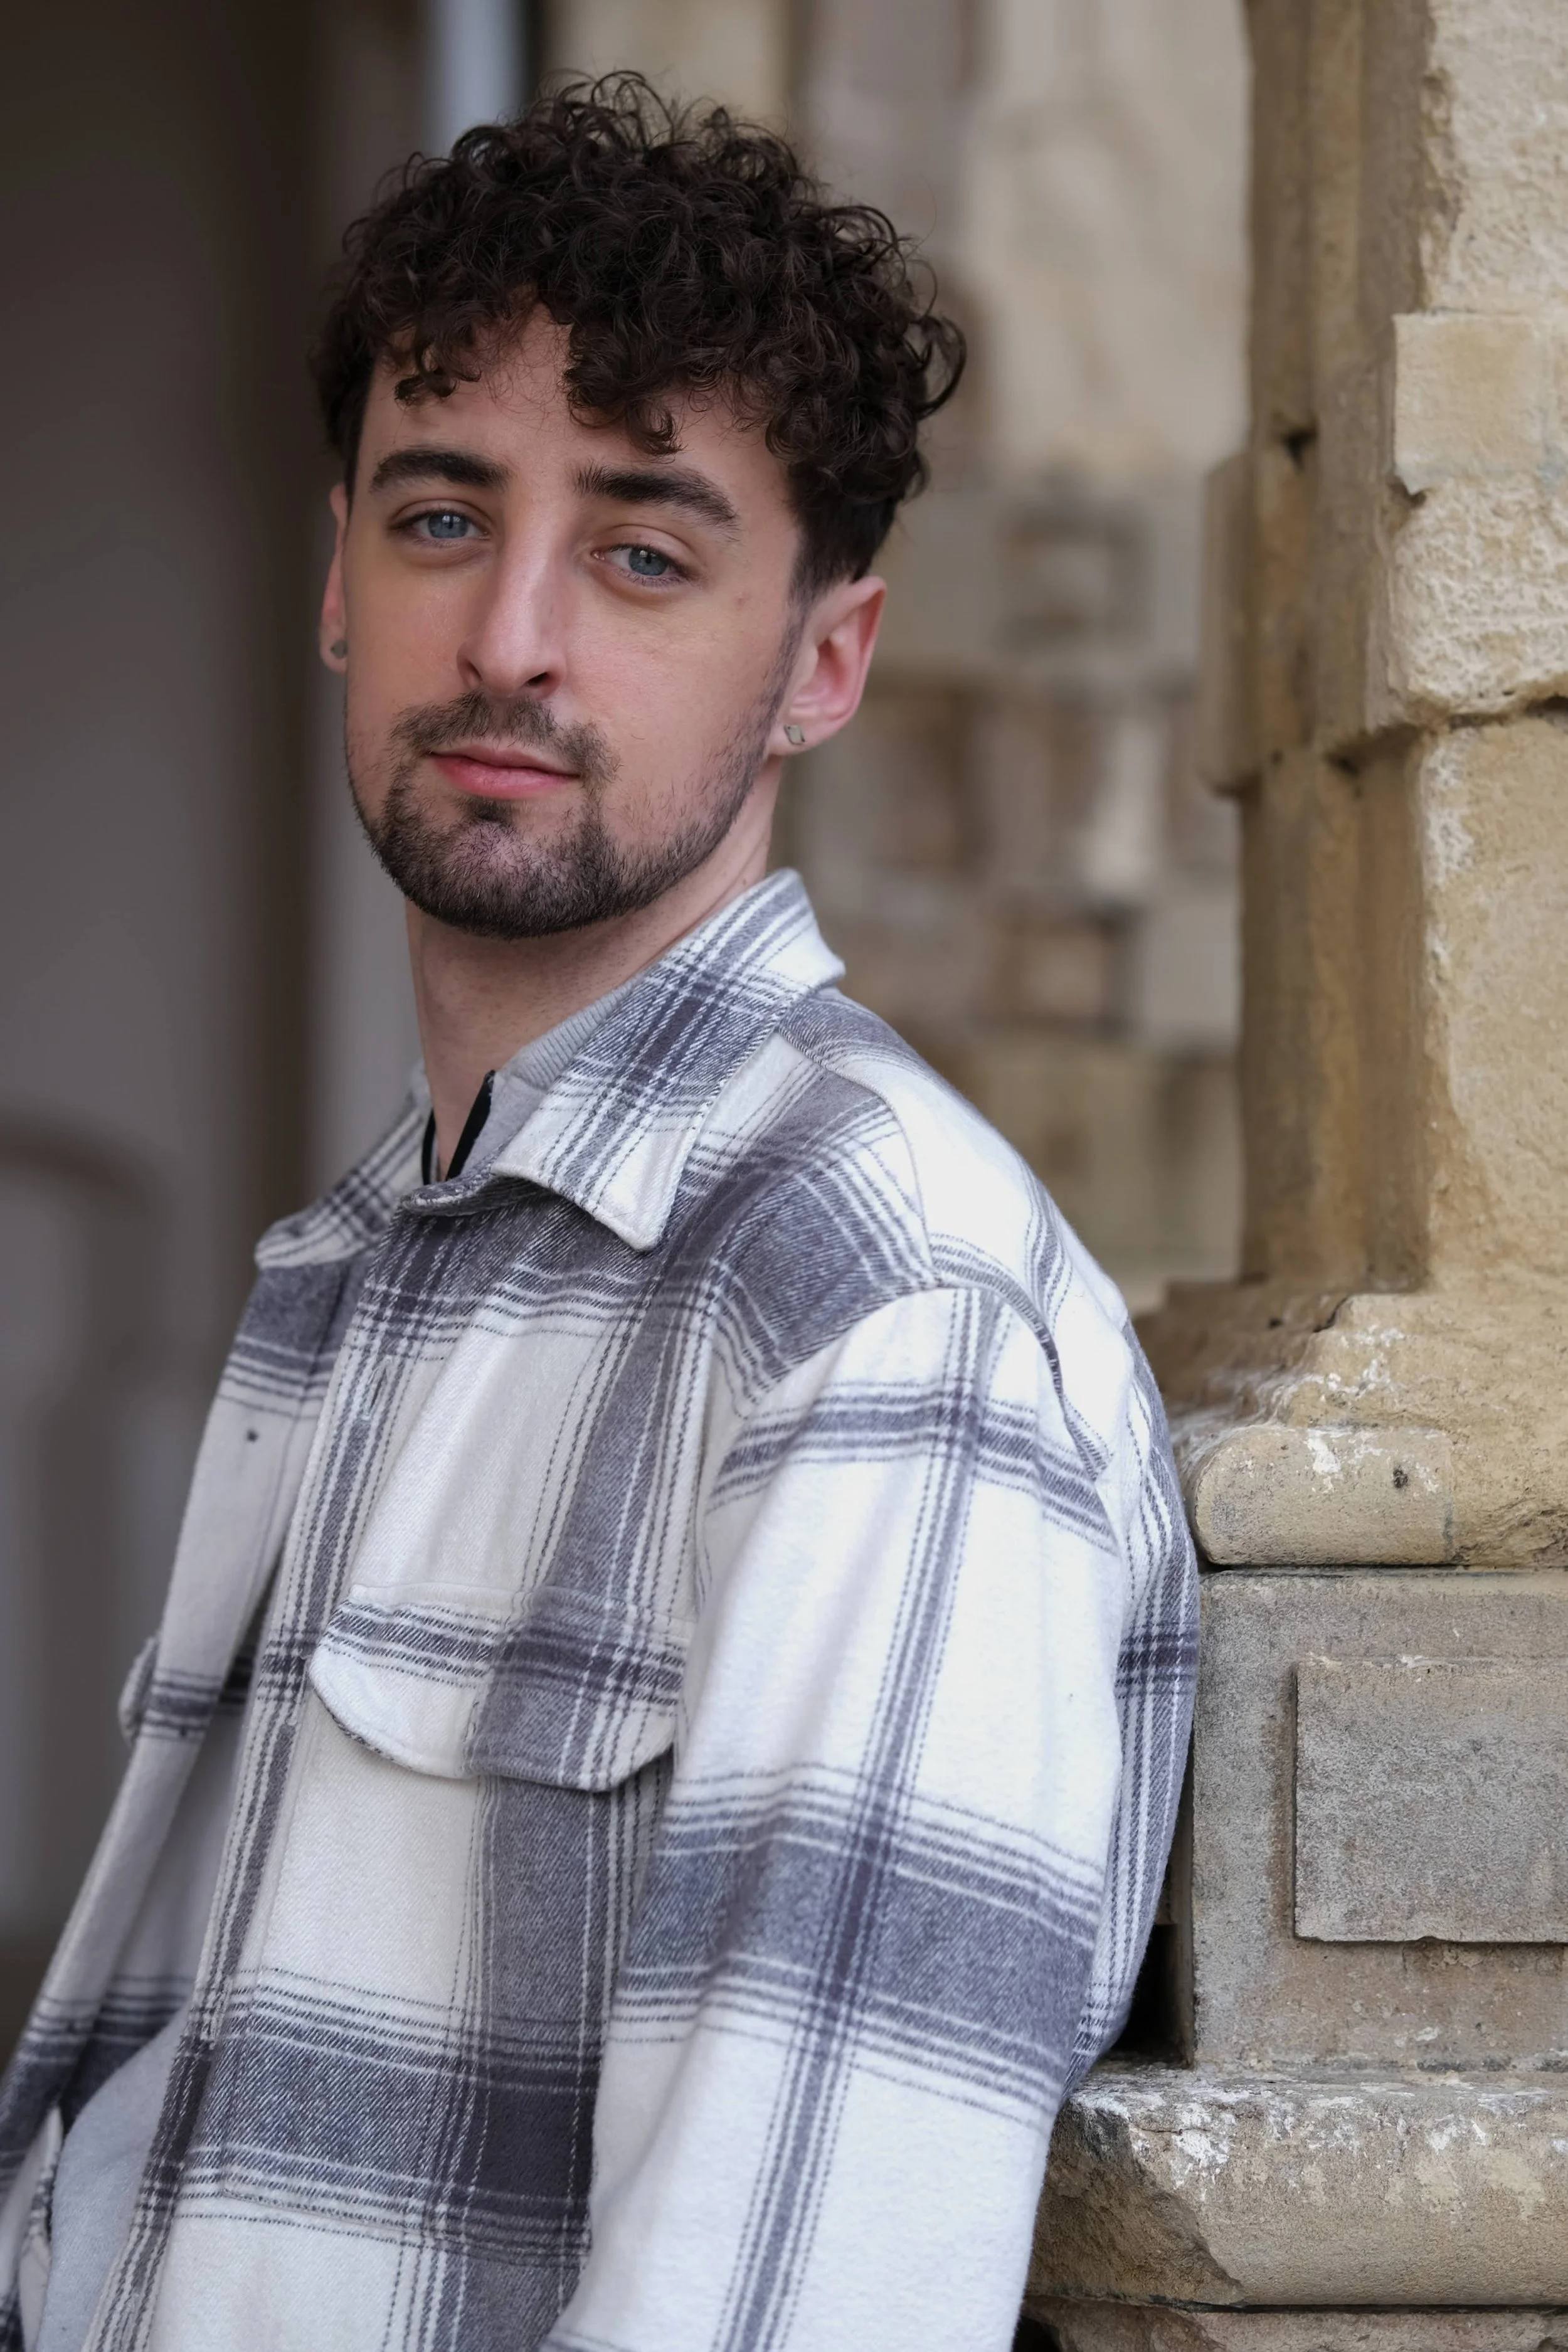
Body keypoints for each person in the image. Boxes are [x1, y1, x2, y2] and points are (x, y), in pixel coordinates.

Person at [0, 77, 1196, 2352]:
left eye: (645, 552)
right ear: (338, 578)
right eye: (444, 515)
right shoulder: (381, 1254)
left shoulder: (884, 1320)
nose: (510, 636)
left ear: (822, 661)